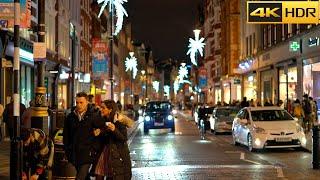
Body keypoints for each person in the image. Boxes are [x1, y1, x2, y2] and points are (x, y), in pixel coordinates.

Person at [63, 92, 105, 180]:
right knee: (84, 177)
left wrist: (94, 148)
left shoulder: (94, 116)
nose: (78, 105)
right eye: (77, 102)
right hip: (74, 153)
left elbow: (103, 130)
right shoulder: (70, 117)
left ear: (87, 102)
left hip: (88, 154)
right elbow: (66, 136)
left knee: (80, 178)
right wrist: (68, 150)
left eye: (81, 102)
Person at [93, 100, 134, 180]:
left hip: (117, 153)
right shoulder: (103, 119)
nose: (101, 109)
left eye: (103, 108)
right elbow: (104, 134)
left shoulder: (119, 120)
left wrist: (114, 129)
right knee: (99, 173)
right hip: (105, 151)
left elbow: (123, 138)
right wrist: (99, 132)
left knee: (113, 175)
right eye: (101, 107)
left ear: (110, 109)